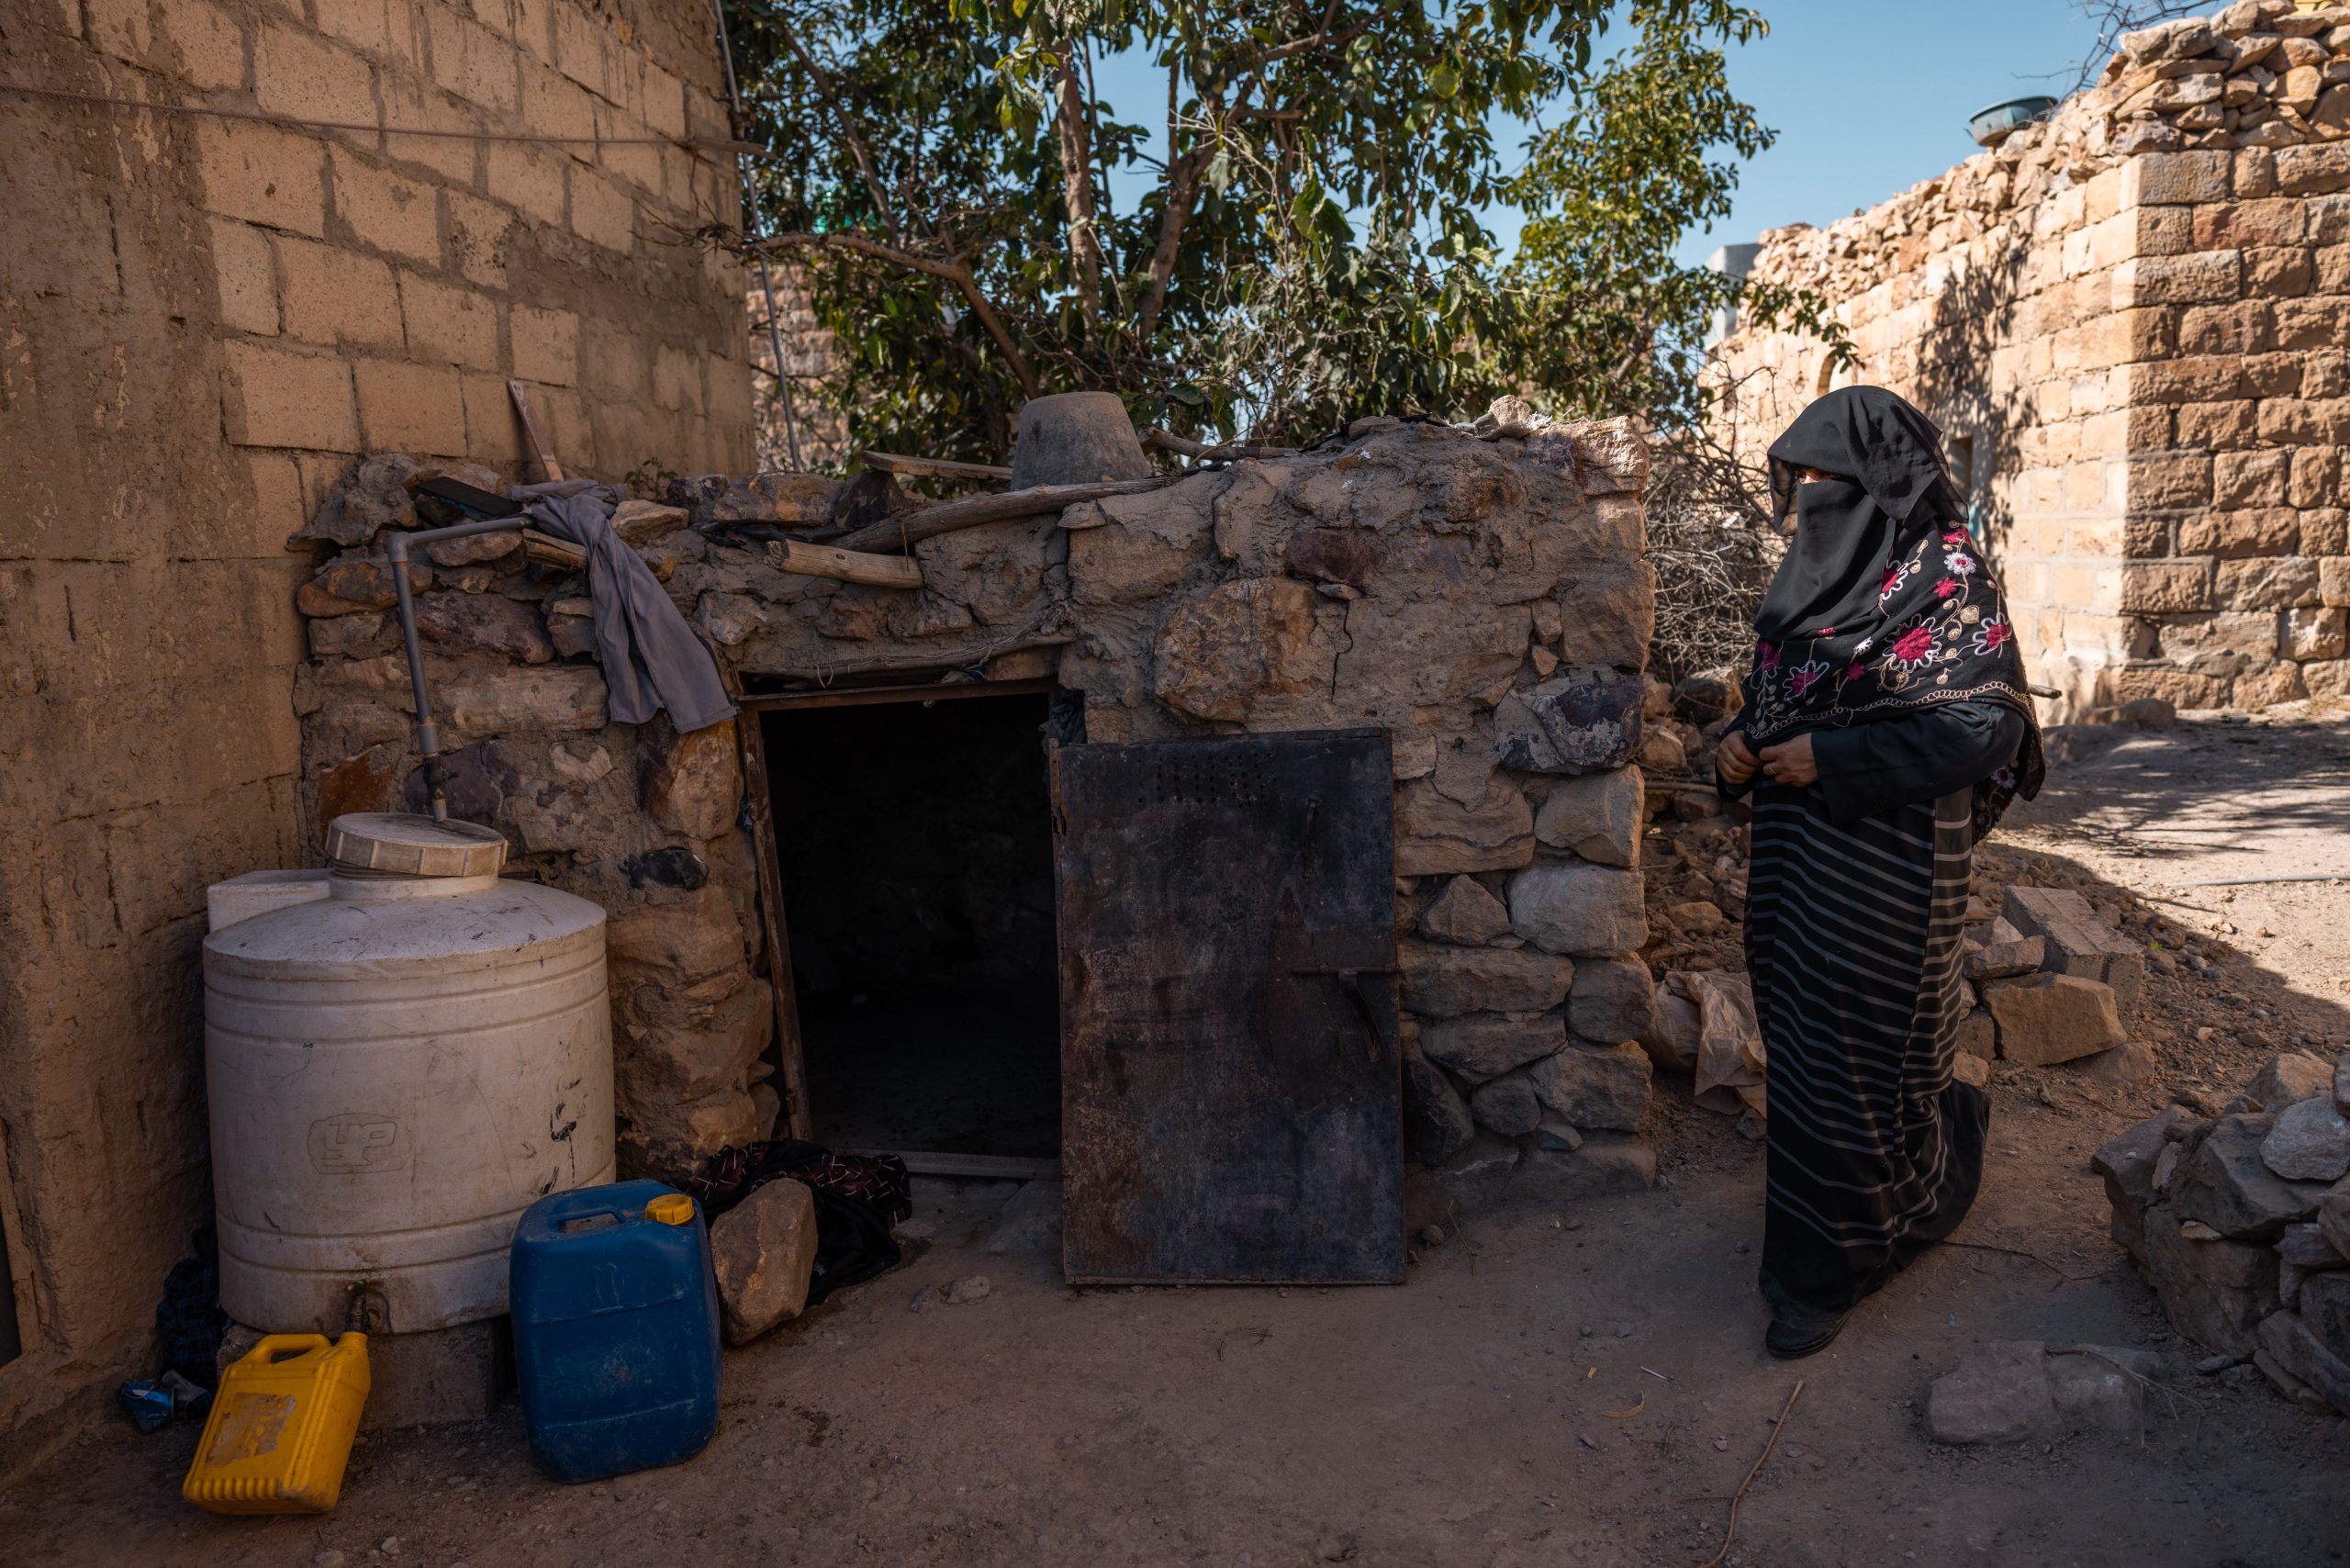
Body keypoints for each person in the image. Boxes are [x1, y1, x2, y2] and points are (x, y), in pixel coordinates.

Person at [1714, 386, 2044, 1359]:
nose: (1808, 497)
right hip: (1791, 859)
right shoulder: (1810, 580)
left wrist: (1834, 759)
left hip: (1889, 875)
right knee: (1809, 1057)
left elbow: (1986, 724)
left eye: (1828, 479)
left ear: (1879, 484)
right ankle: (1855, 1219)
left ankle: (1826, 1276)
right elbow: (1774, 694)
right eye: (1800, 479)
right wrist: (1739, 747)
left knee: (1860, 1060)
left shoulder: (1946, 578)